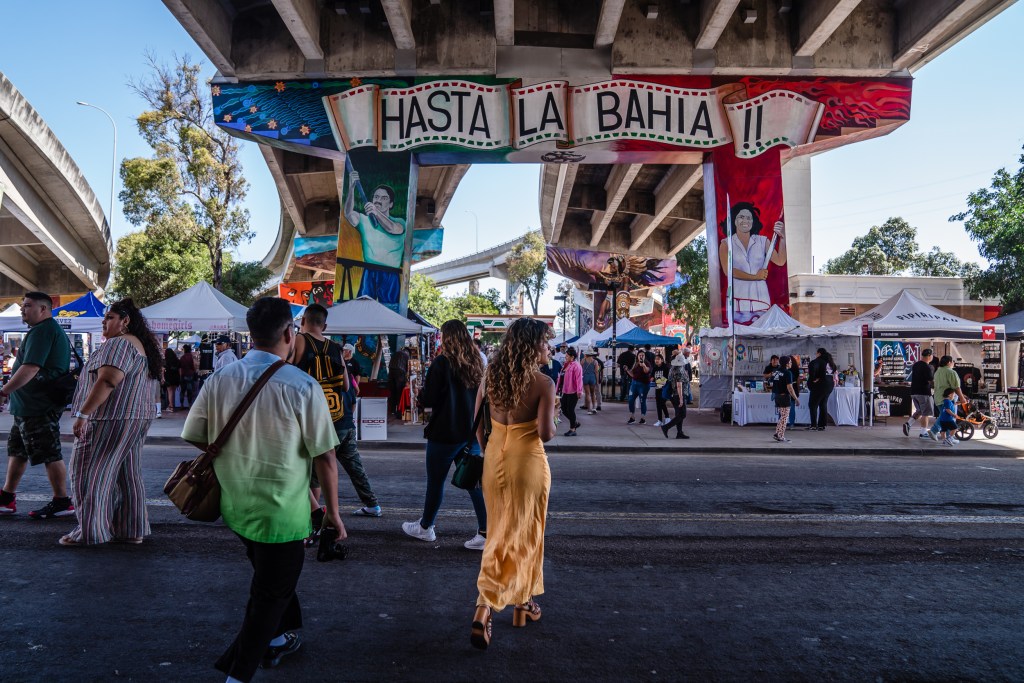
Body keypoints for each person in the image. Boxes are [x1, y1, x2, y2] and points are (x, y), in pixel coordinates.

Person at [182, 297, 344, 681]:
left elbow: (196, 435)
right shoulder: (303, 386)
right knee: (268, 596)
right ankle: (236, 672)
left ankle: (278, 638)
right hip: (283, 514)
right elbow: (325, 458)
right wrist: (333, 513)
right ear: (290, 333)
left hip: (235, 506)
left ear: (250, 334)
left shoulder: (219, 378)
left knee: (271, 579)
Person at [471, 317, 556, 650]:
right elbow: (546, 434)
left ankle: (523, 602)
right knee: (524, 533)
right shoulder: (544, 383)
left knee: (501, 531)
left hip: (494, 461)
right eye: (546, 342)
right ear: (533, 346)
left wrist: (490, 449)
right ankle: (484, 605)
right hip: (528, 462)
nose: (549, 347)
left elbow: (476, 426)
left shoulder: (491, 376)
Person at [60, 299, 161, 546]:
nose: (103, 322)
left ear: (124, 321)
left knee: (89, 473)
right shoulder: (140, 346)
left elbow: (107, 381)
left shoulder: (118, 344)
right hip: (136, 416)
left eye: (109, 317)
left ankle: (91, 532)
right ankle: (130, 529)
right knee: (127, 475)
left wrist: (83, 414)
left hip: (109, 416)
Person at [403, 319, 487, 550]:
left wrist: (421, 395)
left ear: (447, 337)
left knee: (436, 482)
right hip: (471, 433)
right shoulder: (478, 362)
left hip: (444, 432)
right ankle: (485, 532)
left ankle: (426, 527)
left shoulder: (441, 362)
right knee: (473, 483)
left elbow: (429, 400)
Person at [293, 304, 382, 518]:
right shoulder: (335, 347)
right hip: (342, 417)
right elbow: (346, 386)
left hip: (316, 420)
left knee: (315, 472)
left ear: (303, 320)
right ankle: (372, 505)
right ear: (325, 325)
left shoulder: (299, 340)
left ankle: (311, 517)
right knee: (354, 467)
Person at [0, 292, 73, 518]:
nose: (23, 309)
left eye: (28, 306)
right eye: (23, 306)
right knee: (18, 452)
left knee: (50, 452)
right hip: (27, 407)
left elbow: (30, 368)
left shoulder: (44, 331)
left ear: (43, 309)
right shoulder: (41, 330)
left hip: (39, 406)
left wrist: (4, 392)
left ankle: (62, 501)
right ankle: (6, 498)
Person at [717, 202, 787, 323]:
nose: (745, 220)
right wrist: (755, 277)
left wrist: (783, 238)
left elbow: (780, 261)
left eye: (749, 218)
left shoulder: (762, 241)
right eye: (741, 217)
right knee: (740, 340)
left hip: (760, 300)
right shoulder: (725, 244)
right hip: (737, 302)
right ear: (734, 220)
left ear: (753, 221)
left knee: (761, 337)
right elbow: (728, 271)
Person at [344, 172, 406, 303]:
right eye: (376, 197)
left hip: (390, 274)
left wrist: (376, 212)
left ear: (391, 204)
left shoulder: (399, 222)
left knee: (390, 310)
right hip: (369, 272)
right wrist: (351, 188)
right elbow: (349, 213)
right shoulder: (365, 220)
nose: (378, 200)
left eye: (384, 198)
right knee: (363, 308)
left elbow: (392, 229)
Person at [928, 356, 967, 440]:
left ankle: (946, 437)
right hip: (948, 398)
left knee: (944, 416)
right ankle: (938, 432)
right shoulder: (951, 372)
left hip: (938, 397)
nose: (953, 363)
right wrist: (962, 398)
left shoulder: (938, 371)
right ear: (949, 362)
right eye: (952, 361)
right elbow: (956, 387)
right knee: (949, 418)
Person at [904, 349, 935, 438]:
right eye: (932, 355)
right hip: (924, 392)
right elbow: (930, 379)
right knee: (926, 413)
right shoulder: (927, 367)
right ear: (929, 356)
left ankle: (908, 424)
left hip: (914, 392)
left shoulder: (916, 365)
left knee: (920, 411)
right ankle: (923, 432)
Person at [660, 354, 690, 439]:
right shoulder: (679, 370)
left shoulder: (672, 368)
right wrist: (681, 399)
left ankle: (679, 433)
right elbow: (679, 385)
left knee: (679, 414)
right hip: (679, 394)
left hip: (673, 395)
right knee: (682, 415)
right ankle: (666, 427)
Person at [771, 355, 799, 443]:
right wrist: (796, 398)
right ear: (787, 363)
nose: (791, 363)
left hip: (778, 396)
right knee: (784, 418)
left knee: (782, 416)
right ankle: (781, 436)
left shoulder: (776, 372)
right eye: (790, 362)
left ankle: (777, 433)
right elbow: (790, 387)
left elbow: (773, 383)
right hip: (784, 397)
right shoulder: (788, 373)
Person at [807, 348, 836, 432]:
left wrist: (813, 379)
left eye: (816, 353)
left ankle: (813, 425)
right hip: (829, 385)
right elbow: (833, 371)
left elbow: (812, 370)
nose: (816, 355)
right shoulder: (830, 362)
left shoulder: (817, 361)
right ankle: (822, 425)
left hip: (819, 386)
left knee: (813, 404)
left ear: (819, 353)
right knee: (823, 404)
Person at [556, 347, 582, 436]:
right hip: (565, 391)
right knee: (563, 408)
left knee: (570, 410)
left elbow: (579, 379)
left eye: (567, 356)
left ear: (572, 357)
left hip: (573, 391)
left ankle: (573, 429)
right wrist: (557, 389)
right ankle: (574, 422)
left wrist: (579, 391)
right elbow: (561, 377)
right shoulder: (566, 365)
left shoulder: (576, 366)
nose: (565, 357)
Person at [626, 354, 651, 425]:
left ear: (645, 356)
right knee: (630, 399)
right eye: (640, 355)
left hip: (643, 384)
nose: (641, 356)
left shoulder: (647, 363)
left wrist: (643, 365)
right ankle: (632, 417)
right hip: (634, 383)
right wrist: (627, 370)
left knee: (642, 400)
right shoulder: (636, 363)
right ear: (637, 356)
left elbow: (647, 371)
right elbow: (633, 375)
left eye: (643, 355)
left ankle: (643, 418)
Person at [388, 343, 410, 420]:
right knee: (400, 393)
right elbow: (408, 369)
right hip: (400, 373)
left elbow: (389, 364)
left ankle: (392, 410)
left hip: (391, 372)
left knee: (393, 392)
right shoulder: (406, 356)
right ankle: (399, 413)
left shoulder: (395, 353)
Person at [651, 354, 670, 427]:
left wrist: (658, 383)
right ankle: (660, 420)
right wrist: (652, 378)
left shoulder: (665, 367)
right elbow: (652, 376)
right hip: (658, 388)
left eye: (658, 359)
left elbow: (666, 377)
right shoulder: (655, 368)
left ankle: (667, 418)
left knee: (662, 403)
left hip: (664, 388)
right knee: (658, 404)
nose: (656, 360)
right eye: (655, 359)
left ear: (662, 360)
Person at [580, 349, 601, 415]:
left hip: (585, 377)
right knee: (593, 393)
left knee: (587, 394)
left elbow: (580, 370)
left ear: (586, 354)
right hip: (592, 377)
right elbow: (596, 372)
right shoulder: (595, 361)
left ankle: (589, 409)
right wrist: (597, 381)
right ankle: (594, 408)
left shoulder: (583, 360)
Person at [163, 347, 181, 413]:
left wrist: (163, 378)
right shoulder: (177, 360)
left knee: (170, 392)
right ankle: (171, 405)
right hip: (176, 377)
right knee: (173, 392)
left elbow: (163, 369)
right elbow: (179, 370)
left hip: (168, 377)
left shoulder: (166, 360)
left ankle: (171, 407)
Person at [179, 343, 197, 408]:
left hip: (183, 375)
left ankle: (181, 405)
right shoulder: (192, 357)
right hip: (190, 375)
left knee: (182, 391)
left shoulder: (182, 357)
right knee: (190, 391)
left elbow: (180, 367)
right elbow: (194, 366)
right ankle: (190, 404)